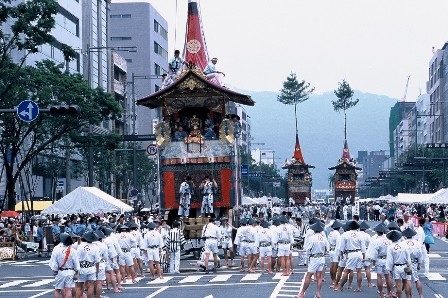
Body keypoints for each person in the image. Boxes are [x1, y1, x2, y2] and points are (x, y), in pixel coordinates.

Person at [294, 221, 329, 298]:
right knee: (319, 276)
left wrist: (308, 257)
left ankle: (302, 293)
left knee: (308, 276)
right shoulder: (324, 238)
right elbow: (327, 249)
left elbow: (308, 249)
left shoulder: (312, 238)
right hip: (321, 257)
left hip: (314, 258)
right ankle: (318, 293)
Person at [335, 220, 366, 292]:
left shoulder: (345, 234)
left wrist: (341, 255)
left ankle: (340, 286)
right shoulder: (360, 234)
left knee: (346, 271)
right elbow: (363, 248)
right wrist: (364, 256)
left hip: (351, 253)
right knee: (359, 271)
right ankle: (358, 287)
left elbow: (341, 247)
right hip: (359, 253)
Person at [48, 232, 80, 298]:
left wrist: (55, 271)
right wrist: (77, 272)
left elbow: (54, 262)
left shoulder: (56, 249)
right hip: (70, 271)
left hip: (60, 271)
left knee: (57, 290)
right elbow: (76, 263)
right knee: (68, 290)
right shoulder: (72, 250)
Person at [368, 223, 393, 298]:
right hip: (387, 259)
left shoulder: (376, 241)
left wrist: (373, 261)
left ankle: (381, 293)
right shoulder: (389, 240)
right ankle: (390, 292)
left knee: (379, 276)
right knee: (388, 276)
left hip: (379, 259)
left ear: (377, 232)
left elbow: (374, 253)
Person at [386, 230, 412, 298]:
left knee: (398, 284)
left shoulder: (390, 247)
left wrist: (390, 269)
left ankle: (399, 296)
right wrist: (409, 265)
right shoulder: (404, 245)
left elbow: (390, 260)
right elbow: (408, 256)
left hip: (396, 267)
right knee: (406, 282)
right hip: (405, 265)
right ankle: (407, 296)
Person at [76, 231, 101, 298]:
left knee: (79, 286)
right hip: (91, 267)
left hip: (81, 267)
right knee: (90, 285)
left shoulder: (80, 246)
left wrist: (76, 269)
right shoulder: (95, 247)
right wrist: (97, 269)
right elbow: (97, 260)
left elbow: (77, 258)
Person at [402, 227, 424, 298]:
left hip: (407, 263)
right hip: (415, 262)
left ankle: (410, 295)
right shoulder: (417, 243)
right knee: (416, 279)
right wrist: (419, 263)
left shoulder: (403, 243)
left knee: (408, 279)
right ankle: (420, 295)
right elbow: (420, 254)